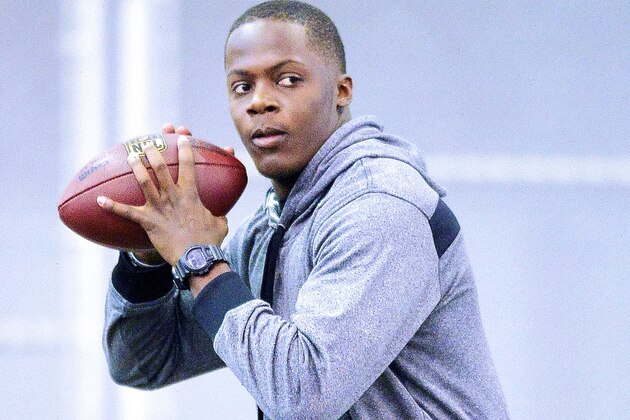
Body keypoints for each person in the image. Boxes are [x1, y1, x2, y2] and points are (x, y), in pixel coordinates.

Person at [98, 1, 510, 418]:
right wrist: (148, 257)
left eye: (288, 80)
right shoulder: (269, 229)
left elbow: (305, 396)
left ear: (341, 91)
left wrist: (198, 259)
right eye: (242, 87)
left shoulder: (380, 207)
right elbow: (144, 363)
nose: (259, 102)